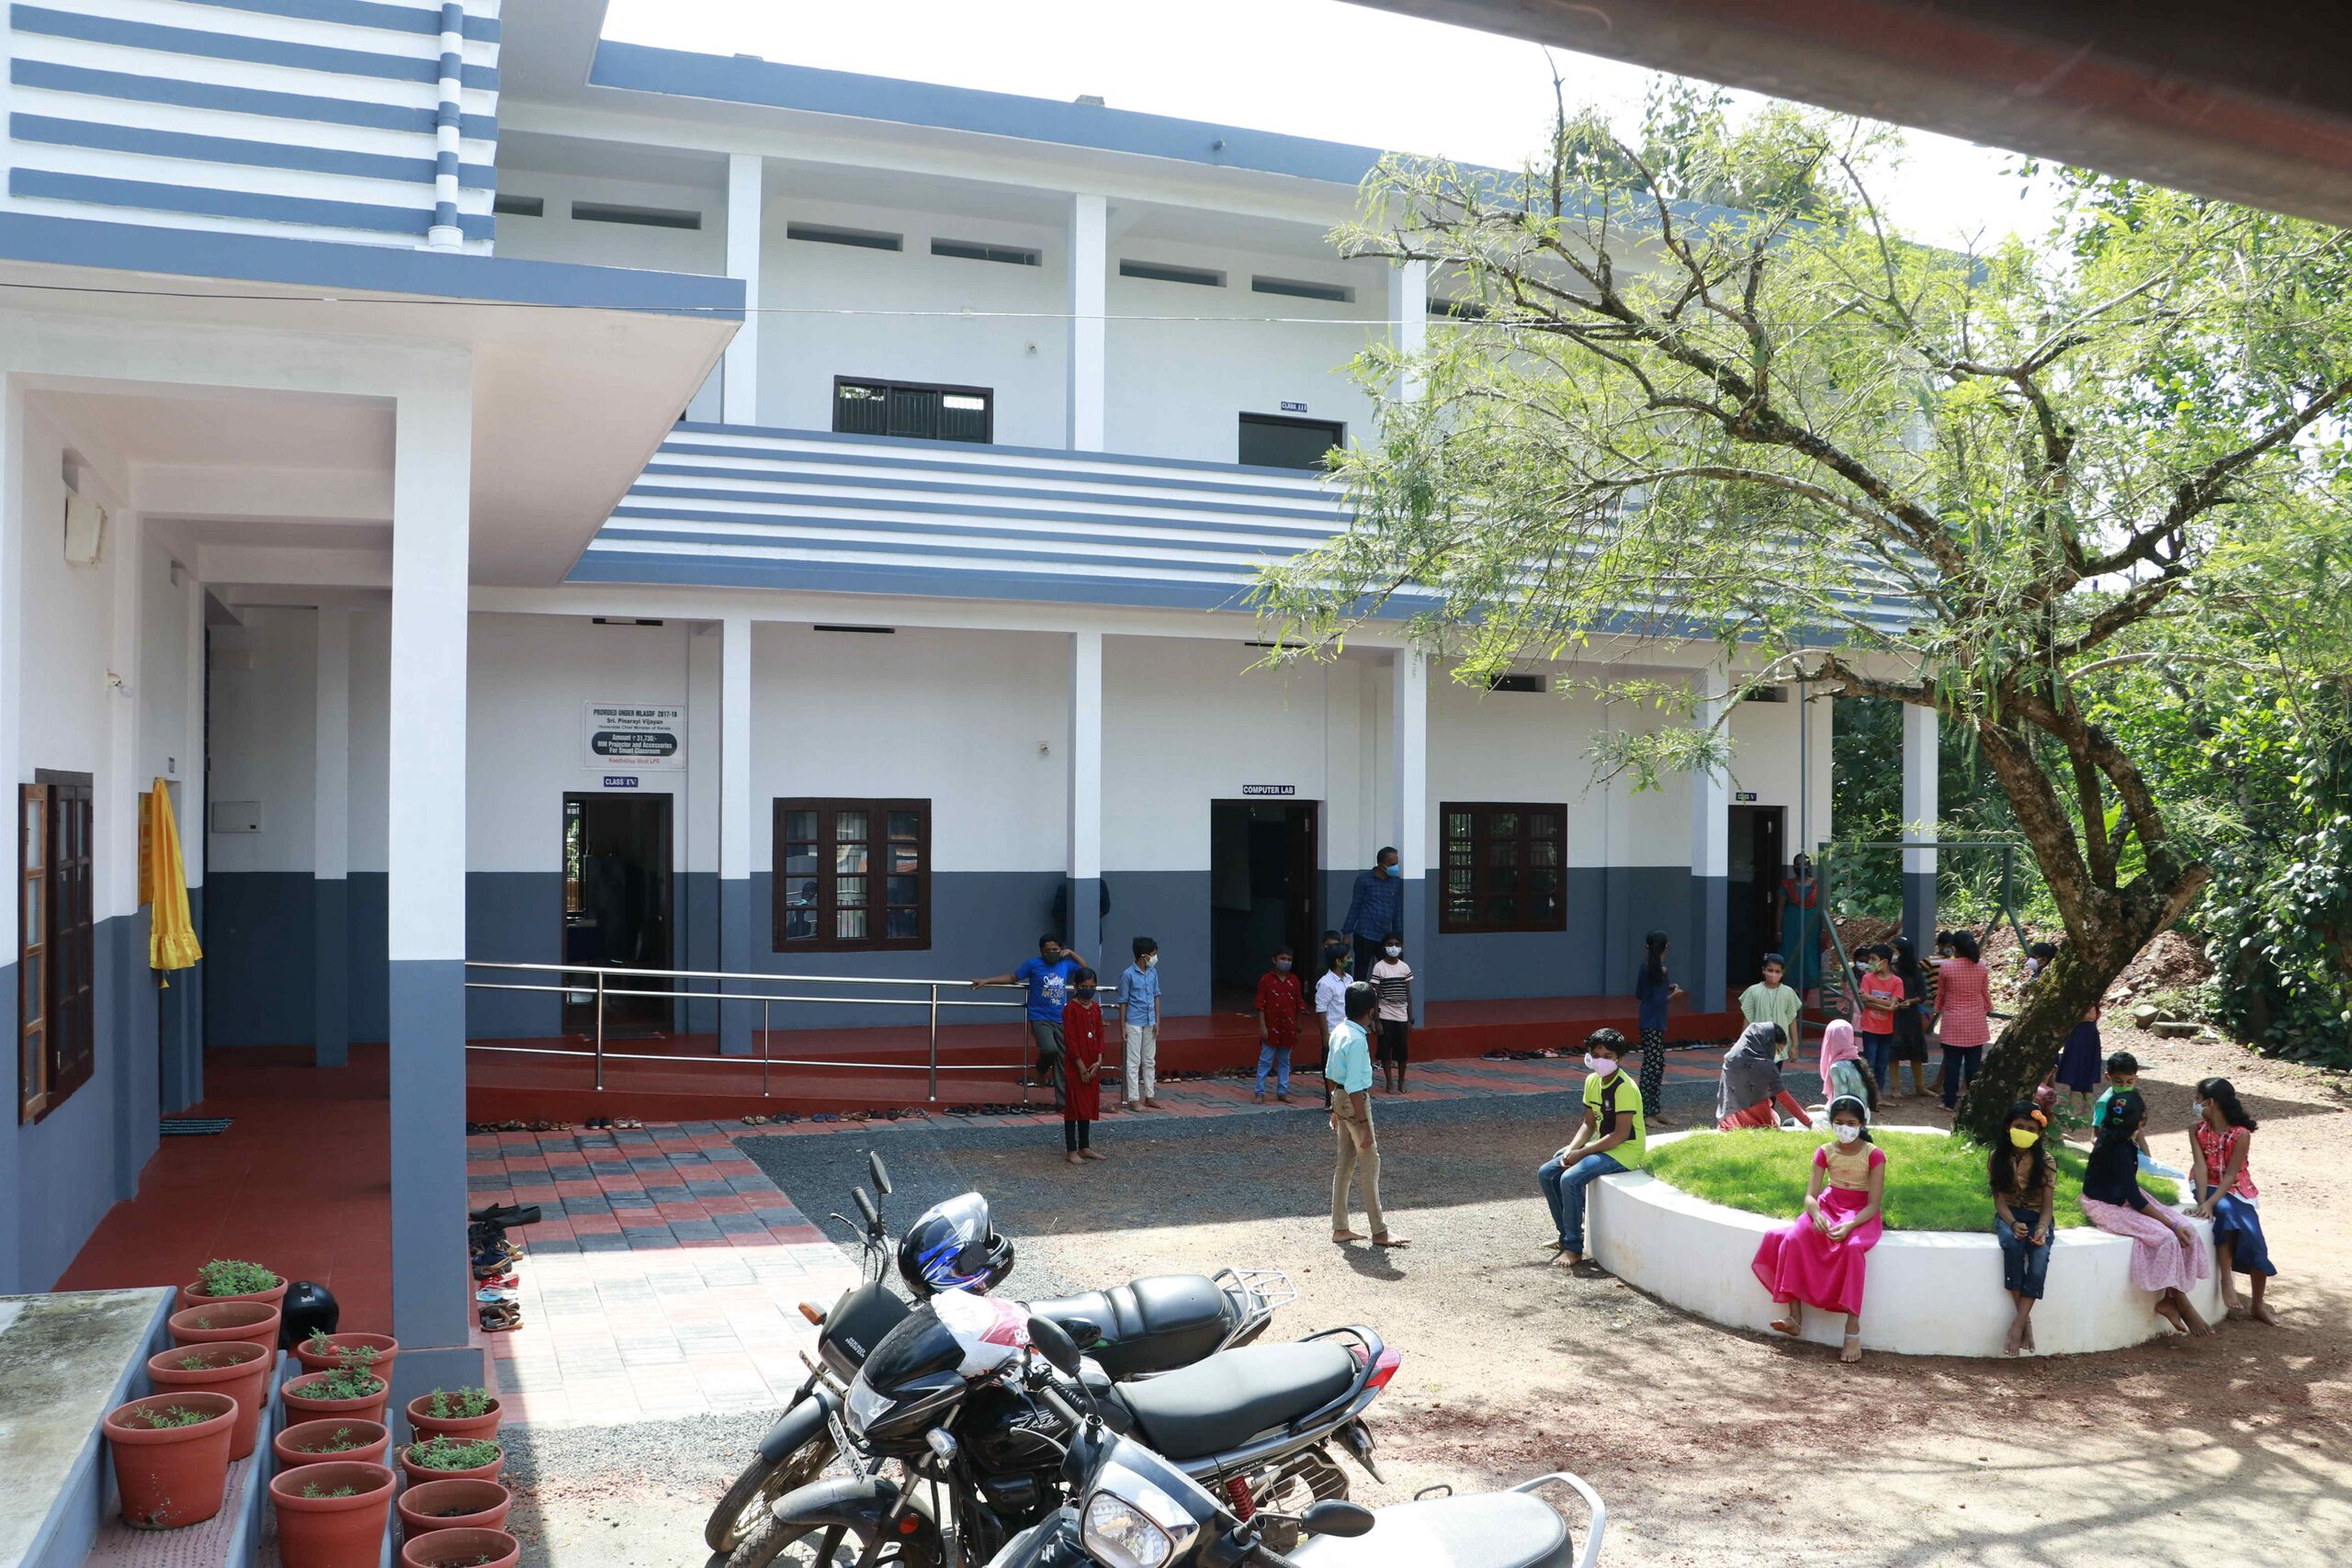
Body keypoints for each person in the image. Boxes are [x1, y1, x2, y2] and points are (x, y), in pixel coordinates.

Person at [1751, 1094, 1885, 1363]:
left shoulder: (1874, 1155)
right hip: (1827, 1206)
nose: (1844, 1128)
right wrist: (1816, 1214)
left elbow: (1873, 1205)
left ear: (1861, 1124)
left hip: (1859, 1214)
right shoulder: (1824, 1151)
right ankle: (1794, 1318)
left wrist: (1850, 1225)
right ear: (1831, 1122)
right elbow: (1810, 1196)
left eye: (1851, 1123)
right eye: (1839, 1122)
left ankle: (1852, 1330)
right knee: (1792, 1239)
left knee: (1853, 1249)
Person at [2078, 1090, 2211, 1337]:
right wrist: (2170, 1225)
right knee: (2167, 1237)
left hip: (2123, 1198)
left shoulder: (2119, 1140)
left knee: (2187, 1228)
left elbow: (2132, 1193)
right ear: (2140, 1122)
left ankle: (2171, 1299)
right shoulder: (2120, 1149)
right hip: (2104, 1206)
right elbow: (2136, 1200)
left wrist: (2175, 1223)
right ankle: (2181, 1302)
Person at [1537, 1030, 1646, 1269]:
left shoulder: (1625, 1087)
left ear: (1620, 1059)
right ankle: (1566, 1235)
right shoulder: (1591, 1081)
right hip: (1601, 1146)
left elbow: (1620, 1135)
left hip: (1624, 1151)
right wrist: (1571, 1150)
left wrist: (1582, 1153)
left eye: (1608, 1056)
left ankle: (1574, 1248)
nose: (1601, 1061)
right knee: (1547, 1172)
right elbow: (1588, 1124)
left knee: (1570, 1179)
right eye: (1596, 1055)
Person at [2189, 1077, 2277, 1325]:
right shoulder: (2195, 1129)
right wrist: (2204, 1201)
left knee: (2254, 1236)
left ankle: (2257, 1304)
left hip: (2237, 1189)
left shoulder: (2241, 1135)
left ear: (2211, 1102)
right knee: (2226, 1214)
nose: (2195, 1104)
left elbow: (2231, 1174)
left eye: (2198, 1099)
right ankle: (2226, 1281)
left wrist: (2210, 1204)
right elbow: (2200, 1167)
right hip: (2205, 1185)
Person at [1327, 981, 1406, 1248]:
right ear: (1371, 1012)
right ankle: (1379, 1231)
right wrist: (1364, 1125)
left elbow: (1330, 1073)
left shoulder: (1339, 1031)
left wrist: (1335, 1107)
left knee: (1345, 1164)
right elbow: (1356, 1088)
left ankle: (1340, 1227)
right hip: (1355, 1102)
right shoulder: (1358, 1040)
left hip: (1339, 1098)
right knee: (1370, 1164)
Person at [973, 934, 1080, 1111]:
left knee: (1062, 1058)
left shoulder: (1065, 964)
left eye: (1055, 949)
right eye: (1047, 950)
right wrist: (986, 981)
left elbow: (1085, 969)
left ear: (1061, 949)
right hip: (1039, 1016)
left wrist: (1071, 953)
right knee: (1049, 1049)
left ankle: (1063, 1103)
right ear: (1041, 951)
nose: (1051, 953)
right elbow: (1013, 977)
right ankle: (1041, 1068)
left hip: (1060, 1017)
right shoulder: (1033, 964)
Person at [1989, 1102, 2056, 1357]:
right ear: (2008, 1127)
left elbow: (2048, 1206)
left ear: (2039, 1134)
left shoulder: (2046, 1161)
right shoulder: (1997, 1157)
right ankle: (2024, 1322)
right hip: (2010, 1215)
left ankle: (2017, 1324)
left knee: (2040, 1256)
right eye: (2019, 1126)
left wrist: (2042, 1228)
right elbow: (1999, 1201)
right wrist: (2012, 1223)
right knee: (2012, 1245)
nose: (2024, 1132)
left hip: (2038, 1217)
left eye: (2031, 1129)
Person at [1935, 930, 1993, 1110]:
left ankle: (1949, 1102)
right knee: (1973, 1066)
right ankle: (1972, 1103)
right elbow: (1984, 992)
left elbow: (1941, 993)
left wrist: (1937, 1008)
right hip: (1976, 1022)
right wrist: (1988, 1008)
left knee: (1952, 1065)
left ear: (1954, 948)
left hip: (1953, 1022)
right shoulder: (1981, 966)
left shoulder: (1946, 967)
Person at [1717, 1022, 1813, 1130]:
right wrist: (1809, 1122)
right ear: (1769, 1043)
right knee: (1779, 1118)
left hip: (1729, 1122)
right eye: (1777, 1050)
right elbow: (1784, 1098)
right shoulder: (1765, 1065)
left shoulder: (1730, 1058)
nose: (1776, 1055)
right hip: (1758, 1122)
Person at [1633, 930, 1685, 1126]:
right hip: (1654, 1023)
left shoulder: (1646, 967)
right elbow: (1658, 1001)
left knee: (1653, 1066)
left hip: (1647, 1021)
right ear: (1667, 946)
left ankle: (1652, 1110)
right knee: (1653, 1068)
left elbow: (1641, 994)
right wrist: (1674, 995)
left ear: (1646, 946)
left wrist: (1666, 988)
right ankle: (1647, 1112)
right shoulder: (1659, 970)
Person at [1059, 967, 1107, 1165]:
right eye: (1085, 986)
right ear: (1076, 986)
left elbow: (1100, 1035)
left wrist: (1099, 1060)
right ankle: (1071, 1149)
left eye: (1092, 986)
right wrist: (1081, 1068)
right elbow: (1070, 1041)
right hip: (1076, 1065)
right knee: (1073, 1106)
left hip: (1093, 1063)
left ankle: (1085, 1146)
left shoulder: (1095, 1008)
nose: (1089, 990)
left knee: (1087, 1103)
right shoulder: (1070, 1009)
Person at [1340, 849, 1404, 984]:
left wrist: (1398, 937)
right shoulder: (1364, 880)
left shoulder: (1396, 882)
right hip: (1365, 933)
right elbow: (1355, 906)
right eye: (1392, 864)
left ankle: (1383, 997)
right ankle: (1359, 997)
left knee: (1389, 972)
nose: (1395, 867)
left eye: (1396, 863)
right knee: (1361, 972)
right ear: (1381, 864)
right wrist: (1347, 932)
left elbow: (1397, 910)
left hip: (1385, 936)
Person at [1115, 936, 1162, 1114]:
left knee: (1150, 1060)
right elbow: (1123, 1002)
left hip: (1150, 1021)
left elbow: (1156, 996)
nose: (1155, 957)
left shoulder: (1153, 973)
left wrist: (1157, 1020)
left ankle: (1150, 1095)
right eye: (1153, 954)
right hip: (1134, 1022)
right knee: (1133, 1062)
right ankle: (1133, 1099)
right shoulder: (1128, 975)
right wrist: (1122, 1027)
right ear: (1144, 955)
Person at [1253, 944, 1304, 1104]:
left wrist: (1298, 1027)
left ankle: (1283, 1091)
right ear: (1274, 960)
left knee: (1284, 1061)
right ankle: (1259, 1092)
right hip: (1270, 1028)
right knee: (1265, 1061)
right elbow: (1260, 1006)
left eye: (1289, 959)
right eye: (1283, 958)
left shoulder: (1294, 981)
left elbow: (1299, 1006)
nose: (1286, 962)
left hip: (1288, 1028)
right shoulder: (1266, 980)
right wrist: (1262, 1027)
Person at [1888, 937, 1933, 1100]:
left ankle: (1920, 1086)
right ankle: (1896, 1087)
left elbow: (1922, 995)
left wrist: (1911, 1001)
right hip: (1894, 1014)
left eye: (1895, 950)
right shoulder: (1890, 970)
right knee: (1893, 1051)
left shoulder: (1915, 971)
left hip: (1911, 1015)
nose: (1893, 953)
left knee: (1915, 1050)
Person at [1854, 944, 1904, 1089]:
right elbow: (1866, 1002)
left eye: (1873, 959)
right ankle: (1869, 1093)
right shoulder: (1867, 978)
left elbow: (1893, 1005)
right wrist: (1888, 1006)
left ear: (1884, 962)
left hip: (1886, 1030)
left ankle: (1878, 1093)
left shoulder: (1897, 981)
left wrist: (1872, 998)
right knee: (1870, 1062)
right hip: (1870, 1028)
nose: (1870, 962)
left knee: (1882, 1065)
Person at [1740, 953, 1804, 1065]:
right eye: (1770, 970)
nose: (1773, 974)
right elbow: (1747, 1019)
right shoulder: (1753, 991)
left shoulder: (1788, 992)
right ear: (1763, 970)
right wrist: (1742, 1045)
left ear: (1782, 973)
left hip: (1779, 1045)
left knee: (1775, 1073)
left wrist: (1795, 1045)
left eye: (1777, 971)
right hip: (1758, 1043)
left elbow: (1792, 1020)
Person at [1370, 932, 1413, 1094]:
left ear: (1402, 948)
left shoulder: (1404, 967)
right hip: (1385, 1014)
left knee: (1402, 1051)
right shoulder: (1379, 967)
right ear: (1384, 947)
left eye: (1397, 944)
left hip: (1402, 1015)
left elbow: (1408, 994)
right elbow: (1374, 994)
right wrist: (1377, 1020)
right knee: (1385, 1051)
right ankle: (1389, 1083)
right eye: (1389, 944)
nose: (1393, 947)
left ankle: (1402, 1081)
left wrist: (1410, 1018)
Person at [2052, 984, 2104, 1119]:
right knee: (2078, 1075)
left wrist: (2074, 1015)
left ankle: (2081, 1112)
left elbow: (2091, 1016)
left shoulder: (2089, 1000)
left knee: (2082, 1076)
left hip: (2084, 1037)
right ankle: (2077, 1111)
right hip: (2076, 1036)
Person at [1780, 853, 1822, 994]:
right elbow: (1780, 909)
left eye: (1804, 864)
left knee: (1809, 955)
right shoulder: (1786, 885)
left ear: (1809, 866)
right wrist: (1778, 930)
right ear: (1793, 867)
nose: (1801, 867)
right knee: (1790, 954)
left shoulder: (1817, 886)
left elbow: (1824, 909)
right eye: (1798, 864)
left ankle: (1806, 991)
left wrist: (1824, 930)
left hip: (1812, 927)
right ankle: (1791, 989)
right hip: (1791, 926)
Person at [1817, 1018, 1876, 1115]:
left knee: (1797, 1121)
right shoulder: (1858, 1060)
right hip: (1863, 1114)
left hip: (1848, 1117)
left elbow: (1840, 1101)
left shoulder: (1836, 1067)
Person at [1313, 943, 1352, 1072]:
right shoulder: (1326, 983)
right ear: (1338, 961)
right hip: (1333, 1031)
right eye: (1348, 957)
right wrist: (1326, 1036)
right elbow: (1321, 1010)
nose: (1351, 960)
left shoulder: (1349, 979)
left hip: (1349, 1030)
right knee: (1332, 1069)